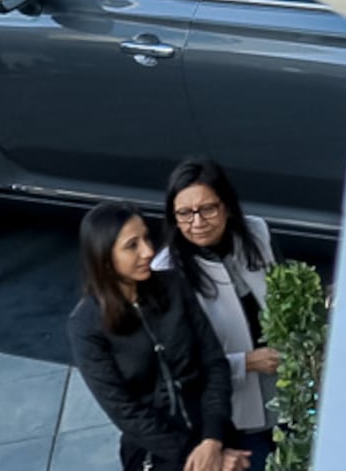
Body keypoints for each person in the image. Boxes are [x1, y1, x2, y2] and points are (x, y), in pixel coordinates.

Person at [68, 204, 246, 471]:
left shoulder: (174, 285)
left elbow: (214, 363)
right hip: (157, 453)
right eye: (132, 245)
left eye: (147, 238)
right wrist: (200, 459)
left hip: (215, 434)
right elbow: (123, 410)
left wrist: (212, 441)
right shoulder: (85, 326)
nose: (149, 251)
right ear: (104, 257)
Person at [158, 161, 281, 458]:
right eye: (185, 213)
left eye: (208, 209)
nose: (197, 222)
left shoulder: (256, 232)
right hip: (233, 413)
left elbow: (282, 296)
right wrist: (246, 363)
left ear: (226, 206)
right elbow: (177, 366)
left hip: (285, 385)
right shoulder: (166, 272)